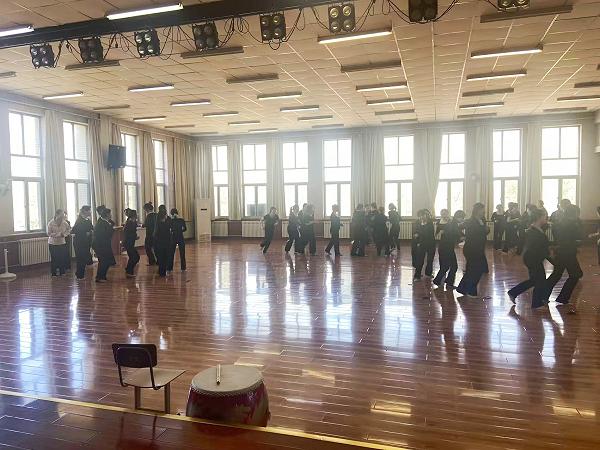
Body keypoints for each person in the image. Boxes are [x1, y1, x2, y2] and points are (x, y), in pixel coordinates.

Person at [507, 208, 553, 308]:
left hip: (534, 258)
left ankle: (513, 292)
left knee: (535, 280)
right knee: (539, 280)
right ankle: (536, 304)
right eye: (545, 216)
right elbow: (530, 245)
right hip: (533, 259)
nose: (546, 218)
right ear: (539, 217)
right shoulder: (532, 231)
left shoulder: (536, 229)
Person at [544, 204, 583, 305]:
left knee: (557, 274)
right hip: (568, 252)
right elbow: (572, 239)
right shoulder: (571, 224)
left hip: (561, 251)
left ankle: (543, 295)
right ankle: (562, 297)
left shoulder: (559, 223)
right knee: (576, 274)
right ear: (574, 214)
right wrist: (576, 245)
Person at [457, 203, 489, 298]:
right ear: (477, 210)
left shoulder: (482, 220)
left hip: (479, 248)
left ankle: (462, 288)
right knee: (476, 270)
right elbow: (476, 232)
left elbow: (484, 232)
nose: (484, 211)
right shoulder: (470, 221)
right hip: (472, 248)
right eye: (482, 209)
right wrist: (462, 237)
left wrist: (485, 229)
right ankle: (471, 291)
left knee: (472, 270)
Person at [433, 210, 465, 289]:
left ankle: (444, 281)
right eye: (462, 218)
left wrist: (461, 237)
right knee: (450, 266)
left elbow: (457, 233)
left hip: (446, 247)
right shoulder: (452, 224)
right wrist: (462, 238)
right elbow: (456, 235)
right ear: (458, 217)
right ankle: (441, 281)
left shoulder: (452, 223)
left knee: (449, 266)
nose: (463, 220)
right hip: (446, 248)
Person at [93, 206, 115, 283]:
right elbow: (105, 234)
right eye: (110, 214)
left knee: (106, 261)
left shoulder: (104, 221)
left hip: (103, 245)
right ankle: (99, 277)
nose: (111, 215)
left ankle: (102, 276)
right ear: (107, 214)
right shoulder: (101, 223)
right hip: (101, 245)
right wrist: (111, 229)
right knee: (104, 261)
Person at [71, 206, 93, 280]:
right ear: (85, 211)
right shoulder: (79, 220)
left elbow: (91, 228)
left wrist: (90, 232)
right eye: (89, 210)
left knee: (83, 258)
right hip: (79, 243)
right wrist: (86, 233)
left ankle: (79, 273)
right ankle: (80, 275)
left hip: (85, 242)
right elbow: (74, 231)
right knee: (81, 259)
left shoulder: (87, 220)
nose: (90, 212)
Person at [47, 209, 71, 277]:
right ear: (57, 215)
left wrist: (65, 234)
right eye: (61, 215)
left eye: (63, 215)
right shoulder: (51, 223)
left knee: (62, 258)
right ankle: (53, 273)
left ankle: (62, 272)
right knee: (54, 258)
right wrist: (58, 234)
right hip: (53, 243)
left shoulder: (64, 223)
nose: (63, 216)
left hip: (62, 243)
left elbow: (69, 230)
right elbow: (49, 233)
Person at [412, 209, 435, 280]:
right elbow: (415, 233)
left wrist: (419, 234)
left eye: (423, 215)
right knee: (420, 260)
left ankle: (428, 273)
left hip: (430, 243)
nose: (422, 217)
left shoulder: (430, 222)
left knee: (430, 260)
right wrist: (417, 239)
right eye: (420, 216)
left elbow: (430, 233)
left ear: (426, 215)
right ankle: (417, 276)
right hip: (421, 243)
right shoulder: (416, 223)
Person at [154, 205, 172, 277]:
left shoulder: (157, 223)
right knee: (165, 257)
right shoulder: (166, 224)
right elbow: (169, 232)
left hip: (159, 243)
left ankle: (161, 272)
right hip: (166, 243)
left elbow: (155, 234)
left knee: (161, 258)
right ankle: (163, 272)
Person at [123, 208, 140, 278]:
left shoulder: (132, 222)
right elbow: (128, 233)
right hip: (128, 243)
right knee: (135, 257)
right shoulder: (130, 223)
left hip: (130, 242)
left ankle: (128, 269)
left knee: (133, 257)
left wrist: (135, 237)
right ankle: (129, 271)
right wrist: (134, 237)